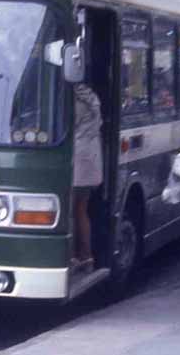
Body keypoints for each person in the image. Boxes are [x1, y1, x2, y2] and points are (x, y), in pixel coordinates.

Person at [72, 83, 103, 273]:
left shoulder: (76, 101)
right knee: (81, 210)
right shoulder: (91, 98)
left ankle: (75, 257)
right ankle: (87, 257)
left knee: (69, 212)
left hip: (78, 161)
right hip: (89, 162)